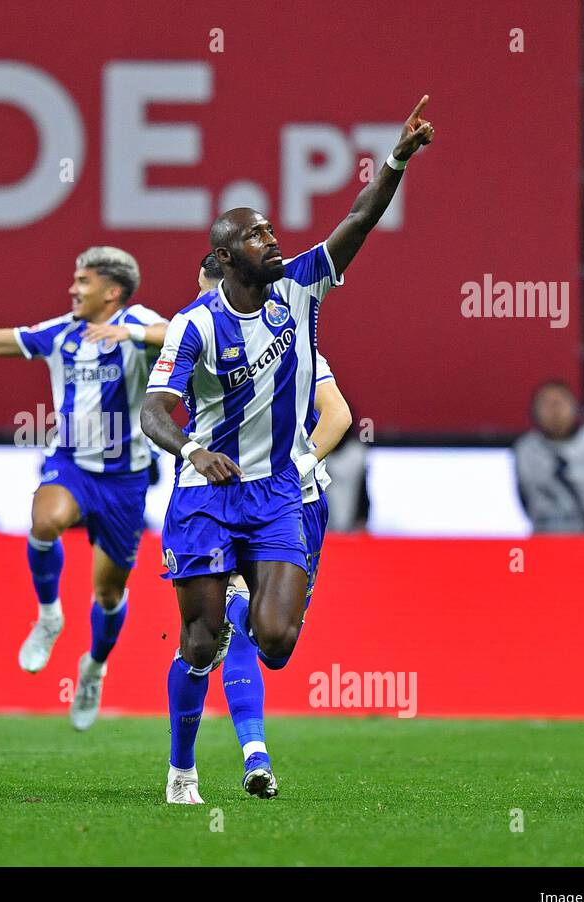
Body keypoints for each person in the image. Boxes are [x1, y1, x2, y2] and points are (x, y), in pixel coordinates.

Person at [142, 96, 436, 804]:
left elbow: (358, 220)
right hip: (208, 494)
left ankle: (252, 625)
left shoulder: (300, 288)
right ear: (224, 257)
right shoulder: (193, 327)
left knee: (273, 642)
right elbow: (154, 410)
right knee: (202, 639)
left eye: (272, 230)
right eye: (255, 237)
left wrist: (396, 159)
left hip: (277, 492)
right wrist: (189, 450)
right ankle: (183, 769)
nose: (272, 242)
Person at [0, 241, 168, 730]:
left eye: (84, 281)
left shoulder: (138, 323)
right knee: (45, 522)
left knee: (107, 595)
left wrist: (132, 332)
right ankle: (49, 615)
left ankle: (93, 669)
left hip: (125, 479)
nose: (72, 288)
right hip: (71, 463)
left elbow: (181, 337)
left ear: (112, 290)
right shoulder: (62, 334)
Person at [196, 254, 352, 798]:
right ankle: (255, 757)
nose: (208, 305)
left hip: (297, 503)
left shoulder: (290, 347)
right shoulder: (195, 344)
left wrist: (298, 466)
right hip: (228, 506)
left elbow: (337, 415)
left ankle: (252, 623)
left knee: (276, 645)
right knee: (232, 620)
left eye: (214, 292)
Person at [514, 380, 584, 534]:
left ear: (575, 408)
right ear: (534, 411)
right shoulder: (525, 449)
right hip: (546, 544)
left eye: (559, 403)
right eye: (546, 404)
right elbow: (524, 499)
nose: (554, 411)